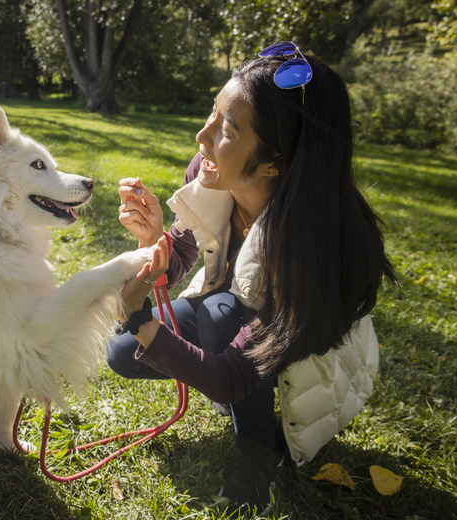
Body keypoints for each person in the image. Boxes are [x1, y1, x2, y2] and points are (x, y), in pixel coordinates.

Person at [107, 42, 396, 515]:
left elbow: (234, 375)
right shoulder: (211, 170)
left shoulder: (315, 248)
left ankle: (260, 461)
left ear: (273, 163)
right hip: (235, 311)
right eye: (212, 114)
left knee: (219, 317)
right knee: (124, 352)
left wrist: (141, 315)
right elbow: (185, 250)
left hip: (309, 348)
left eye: (225, 129)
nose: (201, 137)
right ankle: (242, 398)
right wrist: (156, 242)